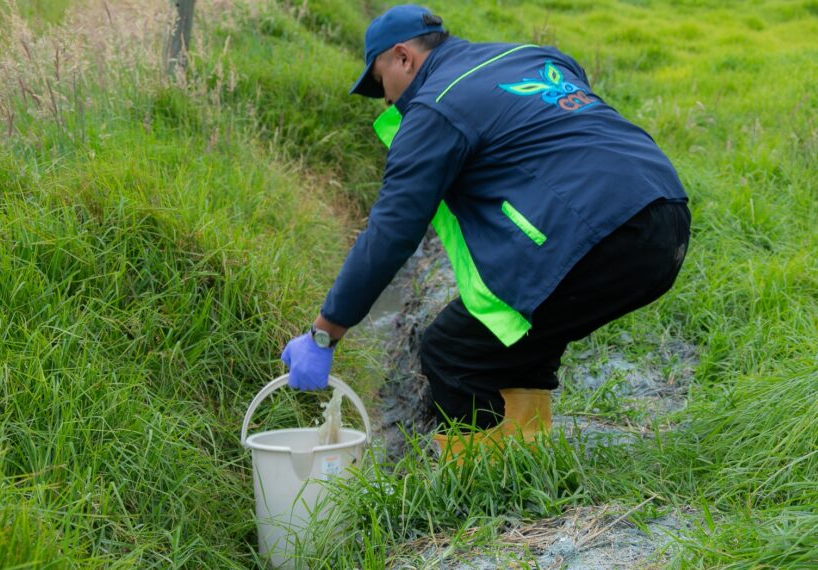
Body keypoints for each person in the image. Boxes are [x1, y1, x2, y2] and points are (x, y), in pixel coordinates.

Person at [280, 4, 690, 452]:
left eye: (381, 83)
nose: (387, 102)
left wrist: (324, 334)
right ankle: (529, 460)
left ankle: (487, 504)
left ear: (403, 57)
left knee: (452, 352)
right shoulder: (533, 56)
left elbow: (392, 232)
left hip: (605, 234)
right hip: (667, 213)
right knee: (511, 340)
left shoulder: (436, 107)